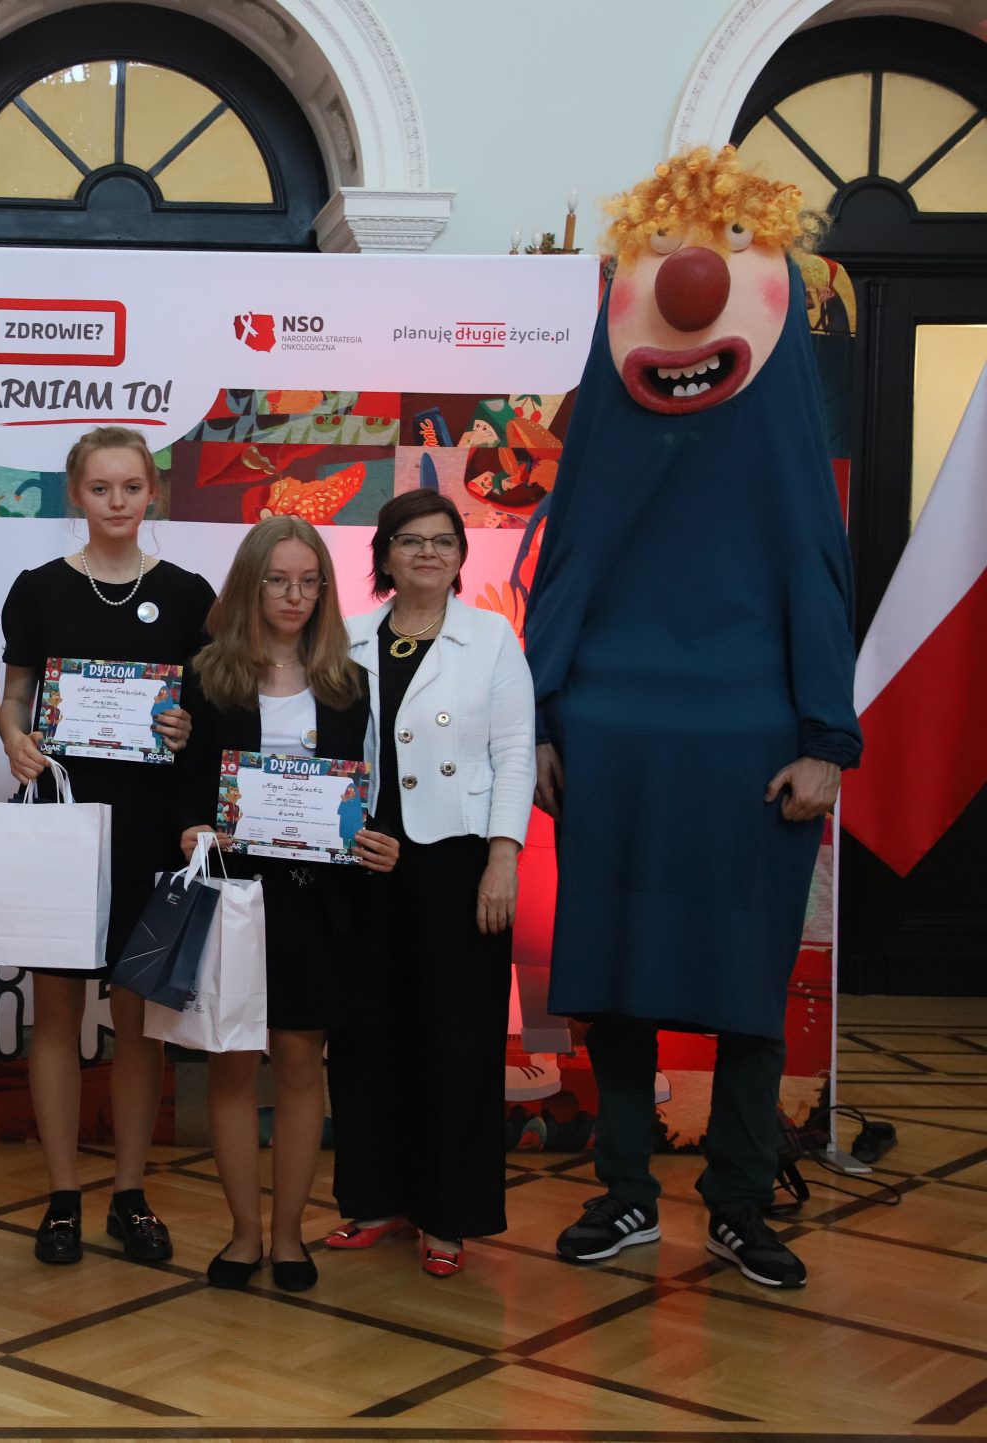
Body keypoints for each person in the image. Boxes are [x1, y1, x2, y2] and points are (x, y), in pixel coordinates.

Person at [526, 148, 860, 1290]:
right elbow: (568, 557)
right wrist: (541, 718)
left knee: (745, 983)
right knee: (613, 974)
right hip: (612, 734)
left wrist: (826, 738)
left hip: (752, 744)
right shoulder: (615, 408)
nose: (689, 285)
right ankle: (623, 1189)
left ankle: (738, 1201)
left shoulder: (777, 408)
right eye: (666, 258)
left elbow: (814, 567)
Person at [0, 426, 217, 1265]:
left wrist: (186, 726)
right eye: (100, 488)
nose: (116, 501)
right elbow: (15, 696)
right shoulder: (39, 589)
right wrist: (15, 739)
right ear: (76, 494)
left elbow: (205, 716)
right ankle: (61, 1197)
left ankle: (130, 1193)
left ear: (152, 493)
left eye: (131, 487)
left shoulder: (190, 595)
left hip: (152, 828)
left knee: (138, 1021)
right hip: (62, 825)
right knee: (57, 1015)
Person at [174, 516, 399, 1291]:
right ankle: (244, 1234)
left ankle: (290, 1236)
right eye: (278, 580)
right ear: (251, 584)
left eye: (309, 581)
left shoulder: (349, 683)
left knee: (302, 1063)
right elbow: (186, 783)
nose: (294, 595)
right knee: (234, 1064)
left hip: (317, 901)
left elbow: (372, 793)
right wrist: (190, 825)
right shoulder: (208, 676)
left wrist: (378, 839)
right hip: (235, 898)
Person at [326, 490, 534, 1278]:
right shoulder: (344, 637)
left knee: (458, 1040)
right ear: (383, 553)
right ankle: (375, 1199)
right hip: (365, 858)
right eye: (409, 540)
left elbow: (515, 752)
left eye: (443, 541)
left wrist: (503, 858)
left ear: (460, 555)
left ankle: (449, 1216)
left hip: (459, 861)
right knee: (366, 1037)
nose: (427, 553)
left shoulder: (492, 637)